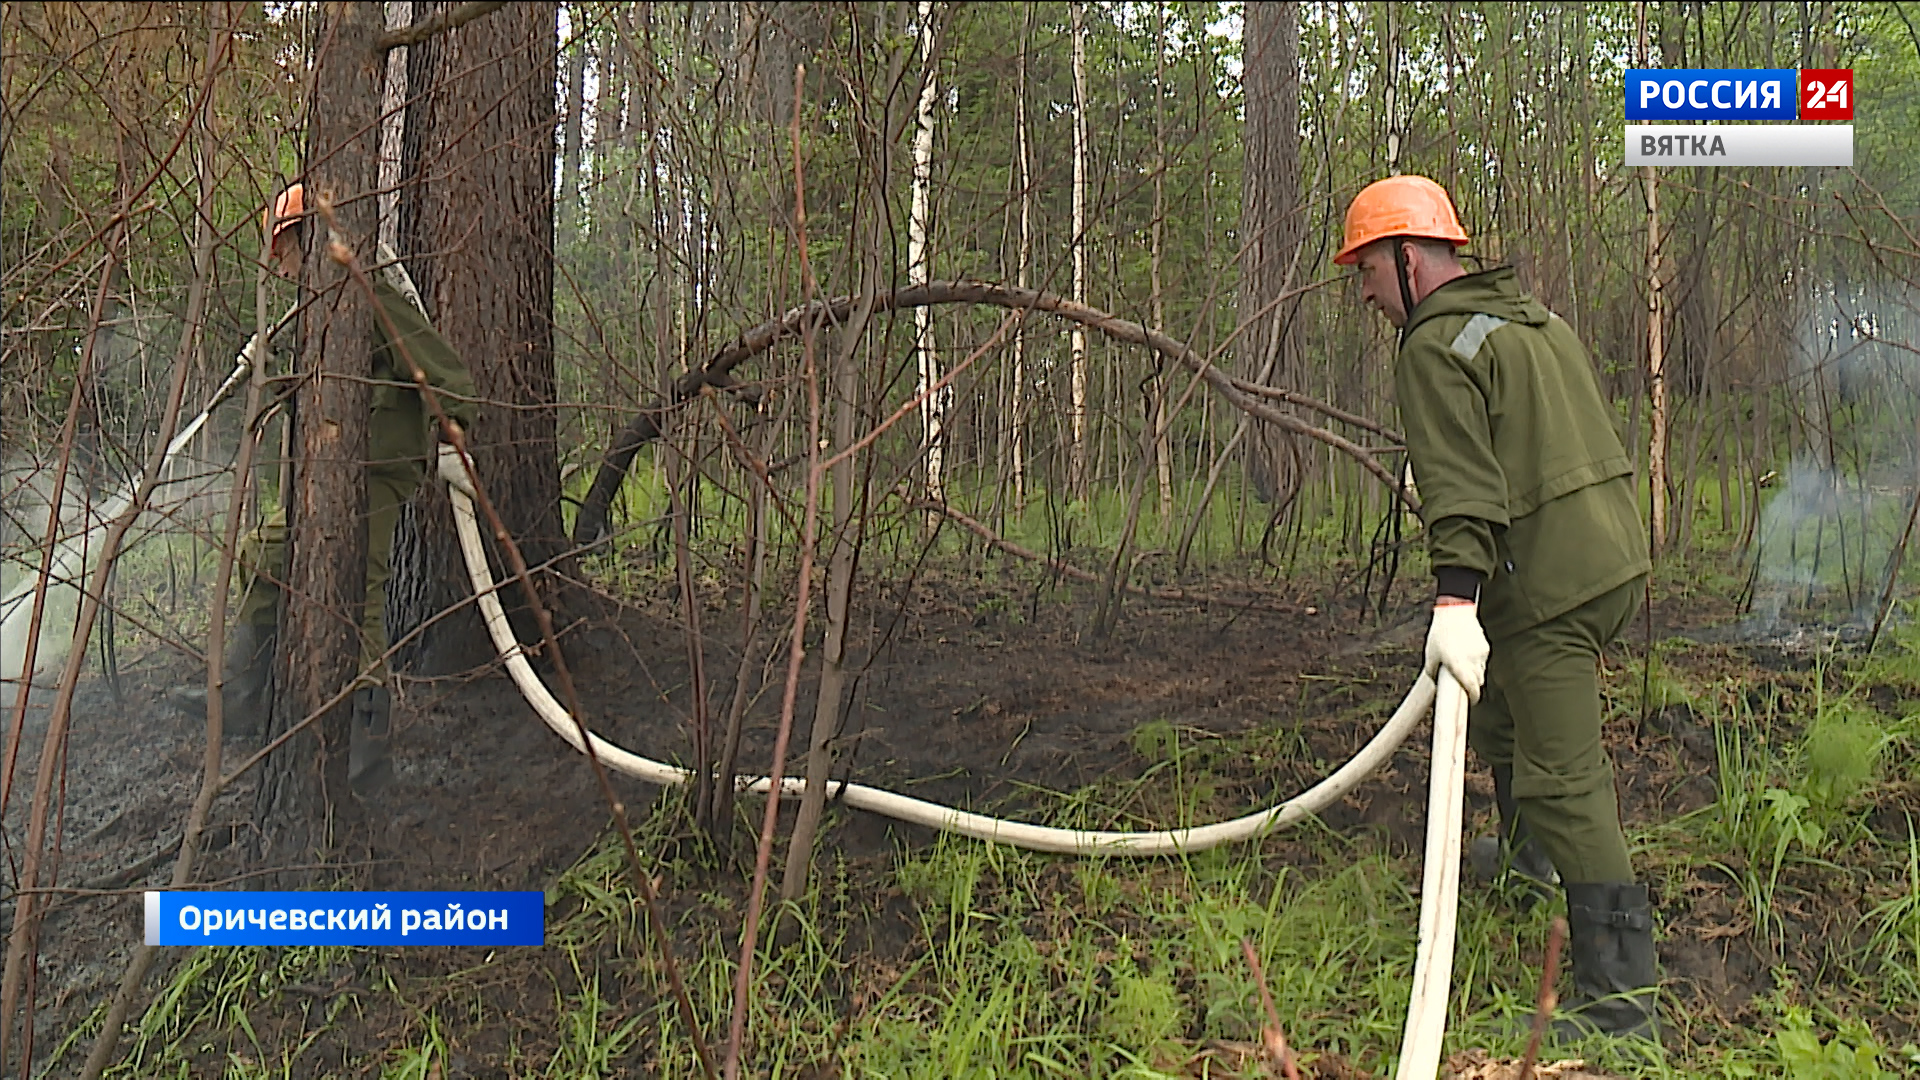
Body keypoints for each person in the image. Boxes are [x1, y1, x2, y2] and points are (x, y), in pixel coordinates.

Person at [1335, 175, 1658, 1041]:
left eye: (1367, 268)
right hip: (1607, 555)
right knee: (1502, 720)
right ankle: (1526, 867)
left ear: (1409, 258)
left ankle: (1621, 1007)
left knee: (1564, 778)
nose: (1363, 292)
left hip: (1550, 587)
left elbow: (1462, 491)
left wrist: (1454, 601)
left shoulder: (1433, 344)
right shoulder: (1530, 319)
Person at [172, 184, 479, 796]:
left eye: (283, 250)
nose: (281, 267)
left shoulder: (369, 294)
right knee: (264, 553)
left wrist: (454, 432)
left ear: (306, 239)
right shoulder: (327, 308)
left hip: (379, 463)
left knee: (360, 589)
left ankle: (369, 747)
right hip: (338, 464)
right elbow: (323, 395)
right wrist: (270, 371)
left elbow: (440, 368)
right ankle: (244, 699)